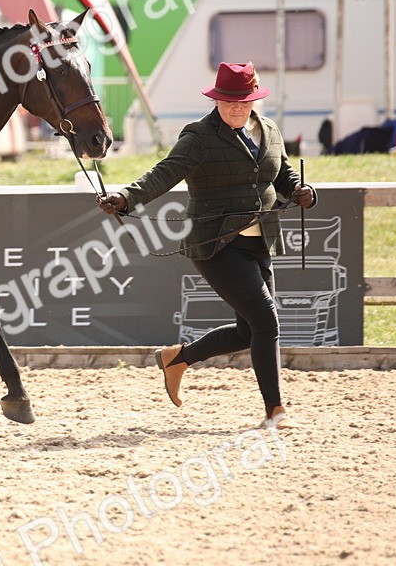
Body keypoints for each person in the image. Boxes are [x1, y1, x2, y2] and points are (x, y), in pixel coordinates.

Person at [97, 62, 317, 429]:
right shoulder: (199, 136)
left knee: (250, 331)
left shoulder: (270, 130)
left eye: (244, 101)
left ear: (254, 99)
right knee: (267, 321)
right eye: (229, 101)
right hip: (217, 245)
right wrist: (125, 197)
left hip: (261, 241)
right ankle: (275, 410)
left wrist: (302, 191)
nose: (236, 107)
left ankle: (177, 358)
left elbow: (282, 175)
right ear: (216, 99)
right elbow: (165, 172)